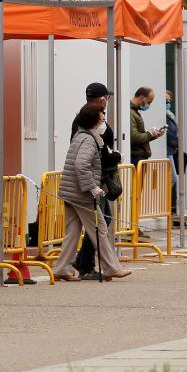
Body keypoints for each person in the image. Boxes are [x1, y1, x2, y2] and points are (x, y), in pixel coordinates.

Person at [54, 102, 131, 282]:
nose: (104, 116)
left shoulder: (81, 136)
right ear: (94, 118)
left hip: (70, 191)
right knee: (100, 228)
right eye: (101, 113)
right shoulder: (89, 139)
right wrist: (92, 187)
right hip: (82, 194)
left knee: (72, 232)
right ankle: (111, 267)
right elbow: (81, 165)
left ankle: (62, 268)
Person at [71, 82, 121, 280]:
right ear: (102, 99)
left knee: (78, 227)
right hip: (91, 181)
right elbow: (91, 154)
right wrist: (113, 157)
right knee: (100, 221)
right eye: (107, 98)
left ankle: (73, 264)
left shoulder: (82, 117)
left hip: (90, 179)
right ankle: (90, 265)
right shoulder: (90, 121)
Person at [130, 87, 165, 163]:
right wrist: (150, 134)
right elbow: (134, 137)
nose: (149, 105)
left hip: (139, 157)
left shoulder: (134, 112)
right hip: (136, 158)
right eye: (149, 102)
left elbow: (140, 136)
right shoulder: (131, 112)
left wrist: (154, 135)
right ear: (142, 98)